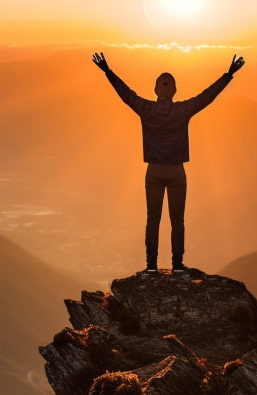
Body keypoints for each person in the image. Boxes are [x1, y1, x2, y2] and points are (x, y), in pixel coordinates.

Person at [92, 52, 245, 275]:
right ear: (174, 90)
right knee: (177, 220)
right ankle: (177, 264)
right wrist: (228, 74)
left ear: (156, 90)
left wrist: (107, 71)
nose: (165, 86)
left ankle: (151, 265)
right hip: (176, 173)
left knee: (153, 218)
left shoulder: (146, 109)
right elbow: (207, 96)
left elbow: (125, 94)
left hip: (153, 172)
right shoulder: (183, 111)